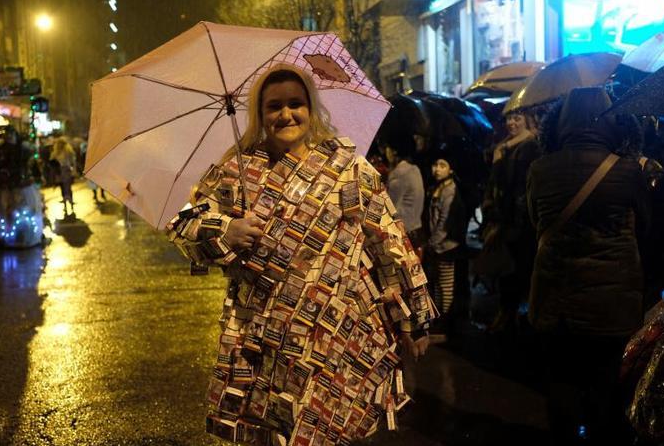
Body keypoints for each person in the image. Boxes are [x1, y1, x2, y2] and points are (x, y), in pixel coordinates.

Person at [167, 64, 436, 445]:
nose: (286, 114)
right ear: (260, 114)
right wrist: (227, 230)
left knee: (336, 431)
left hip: (341, 330)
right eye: (274, 106)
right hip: (264, 334)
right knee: (279, 431)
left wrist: (415, 317)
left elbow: (389, 242)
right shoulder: (235, 170)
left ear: (311, 108)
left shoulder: (348, 167)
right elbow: (183, 226)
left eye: (296, 103)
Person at [526, 87, 650, 445]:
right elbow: (647, 225)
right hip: (612, 304)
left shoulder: (540, 169)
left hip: (555, 298)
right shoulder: (629, 171)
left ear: (561, 123)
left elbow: (535, 222)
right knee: (605, 386)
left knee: (561, 384)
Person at [480, 111, 541, 333]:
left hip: (518, 221)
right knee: (506, 269)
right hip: (505, 217)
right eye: (508, 118)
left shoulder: (528, 147)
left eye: (517, 118)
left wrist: (499, 162)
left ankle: (509, 316)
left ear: (527, 120)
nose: (511, 123)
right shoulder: (506, 146)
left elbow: (517, 186)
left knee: (514, 270)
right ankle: (507, 314)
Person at [425, 148, 465, 331]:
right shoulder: (437, 187)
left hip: (447, 246)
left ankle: (446, 322)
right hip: (438, 244)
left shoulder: (450, 190)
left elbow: (445, 221)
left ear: (451, 169)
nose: (437, 169)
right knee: (437, 282)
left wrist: (432, 243)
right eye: (435, 164)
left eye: (442, 165)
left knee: (445, 284)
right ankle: (439, 318)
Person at [380, 135, 424, 246]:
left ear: (394, 151)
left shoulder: (400, 173)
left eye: (387, 148)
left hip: (404, 233)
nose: (386, 152)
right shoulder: (415, 169)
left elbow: (390, 207)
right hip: (416, 230)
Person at [50, 136, 76, 218]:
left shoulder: (57, 151)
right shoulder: (68, 150)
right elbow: (72, 161)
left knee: (63, 187)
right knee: (67, 187)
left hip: (60, 172)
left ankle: (66, 203)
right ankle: (70, 202)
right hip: (65, 171)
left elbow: (52, 161)